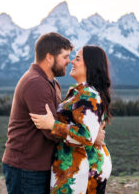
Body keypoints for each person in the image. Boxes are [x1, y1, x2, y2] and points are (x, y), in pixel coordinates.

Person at [2, 33, 105, 194]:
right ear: (50, 58)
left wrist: (89, 134)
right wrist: (89, 139)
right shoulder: (36, 83)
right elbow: (51, 133)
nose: (69, 61)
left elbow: (59, 120)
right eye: (65, 56)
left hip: (39, 165)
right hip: (26, 167)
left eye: (73, 57)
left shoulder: (52, 83)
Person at [30, 45, 112, 194]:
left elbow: (86, 136)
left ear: (90, 65)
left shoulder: (89, 94)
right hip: (75, 166)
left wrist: (52, 125)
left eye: (77, 59)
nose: (72, 62)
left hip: (81, 168)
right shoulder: (80, 92)